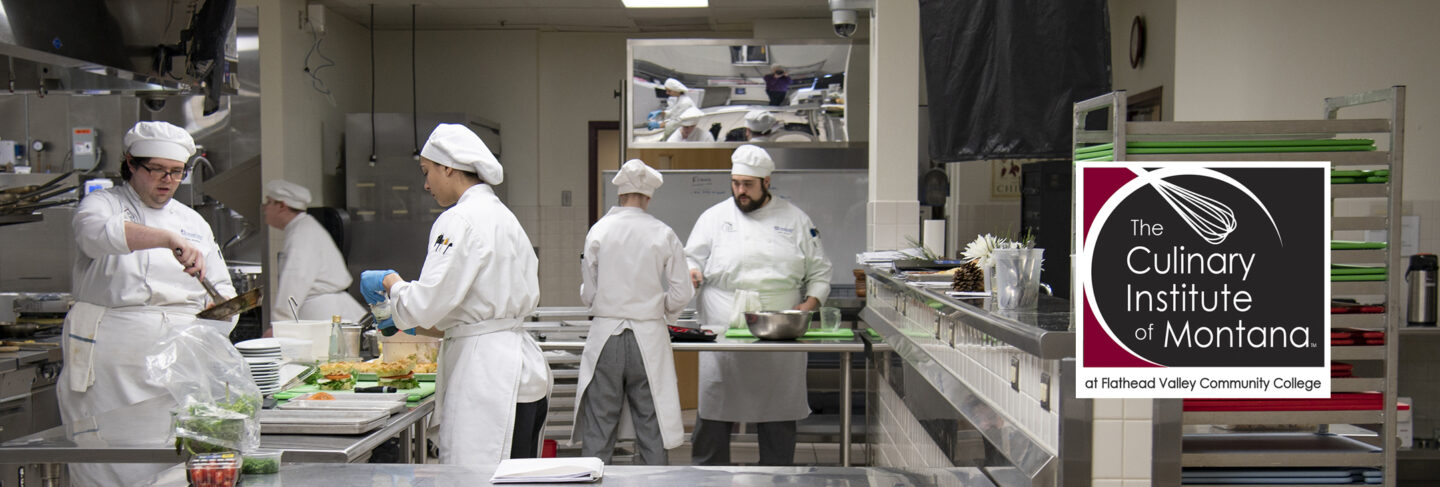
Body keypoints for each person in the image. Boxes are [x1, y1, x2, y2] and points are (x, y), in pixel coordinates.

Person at [359, 124, 551, 465]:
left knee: (474, 474)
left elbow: (427, 304)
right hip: (522, 370)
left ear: (448, 167)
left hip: (487, 375)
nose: (426, 184)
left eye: (427, 171)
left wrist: (391, 283)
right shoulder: (504, 217)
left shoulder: (459, 219)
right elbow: (456, 304)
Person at [59, 121, 237, 486]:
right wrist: (165, 239)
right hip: (112, 365)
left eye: (176, 172)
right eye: (156, 169)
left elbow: (221, 289)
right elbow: (96, 236)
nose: (167, 180)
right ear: (130, 163)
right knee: (109, 457)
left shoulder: (193, 222)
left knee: (172, 459)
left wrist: (219, 322)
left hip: (181, 364)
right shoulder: (101, 204)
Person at [684, 144, 833, 466]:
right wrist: (692, 271)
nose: (740, 191)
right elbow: (690, 257)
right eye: (736, 183)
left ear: (766, 181)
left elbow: (821, 272)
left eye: (748, 185)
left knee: (777, 409)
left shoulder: (795, 219)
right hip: (723, 324)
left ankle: (777, 476)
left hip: (779, 329)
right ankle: (707, 478)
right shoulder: (713, 217)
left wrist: (806, 308)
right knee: (714, 406)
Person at [571, 159, 692, 464]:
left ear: (620, 194)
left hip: (605, 339)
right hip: (648, 339)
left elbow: (589, 293)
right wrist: (660, 310)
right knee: (651, 428)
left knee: (600, 429)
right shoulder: (663, 233)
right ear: (648, 197)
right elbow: (682, 292)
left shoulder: (599, 231)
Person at [262, 179, 365, 323]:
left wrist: (281, 324)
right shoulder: (304, 227)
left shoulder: (301, 233)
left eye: (268, 202)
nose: (264, 208)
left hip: (323, 314)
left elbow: (294, 281)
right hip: (329, 310)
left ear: (281, 205)